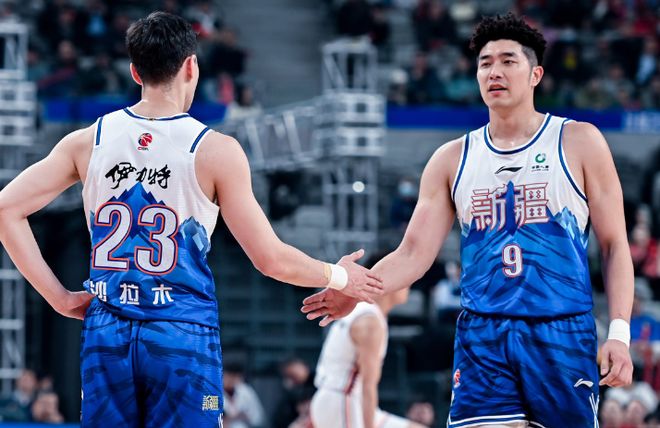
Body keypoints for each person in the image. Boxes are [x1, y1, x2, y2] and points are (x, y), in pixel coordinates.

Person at [0, 11, 383, 427]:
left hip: (107, 330)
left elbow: (6, 209)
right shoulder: (214, 150)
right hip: (180, 332)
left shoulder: (87, 141)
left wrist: (59, 297)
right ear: (191, 66)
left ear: (135, 72)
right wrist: (339, 276)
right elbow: (270, 259)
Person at [303, 13, 634, 428]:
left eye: (508, 61)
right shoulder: (451, 158)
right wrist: (356, 288)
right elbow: (412, 253)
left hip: (560, 331)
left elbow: (614, 245)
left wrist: (619, 333)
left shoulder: (579, 141)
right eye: (485, 63)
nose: (494, 71)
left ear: (535, 74)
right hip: (484, 335)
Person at [310, 287, 426, 428]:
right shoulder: (370, 322)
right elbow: (368, 385)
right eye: (405, 283)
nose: (409, 286)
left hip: (341, 399)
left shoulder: (364, 310)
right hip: (343, 401)